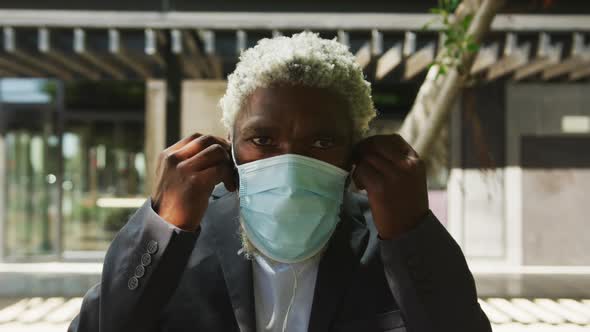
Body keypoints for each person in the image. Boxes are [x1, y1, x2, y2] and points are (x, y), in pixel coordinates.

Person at [69, 31, 491, 332]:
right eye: (263, 139)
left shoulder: (390, 239)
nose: (289, 162)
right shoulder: (183, 239)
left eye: (322, 141)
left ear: (354, 152)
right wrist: (162, 227)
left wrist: (412, 229)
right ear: (230, 147)